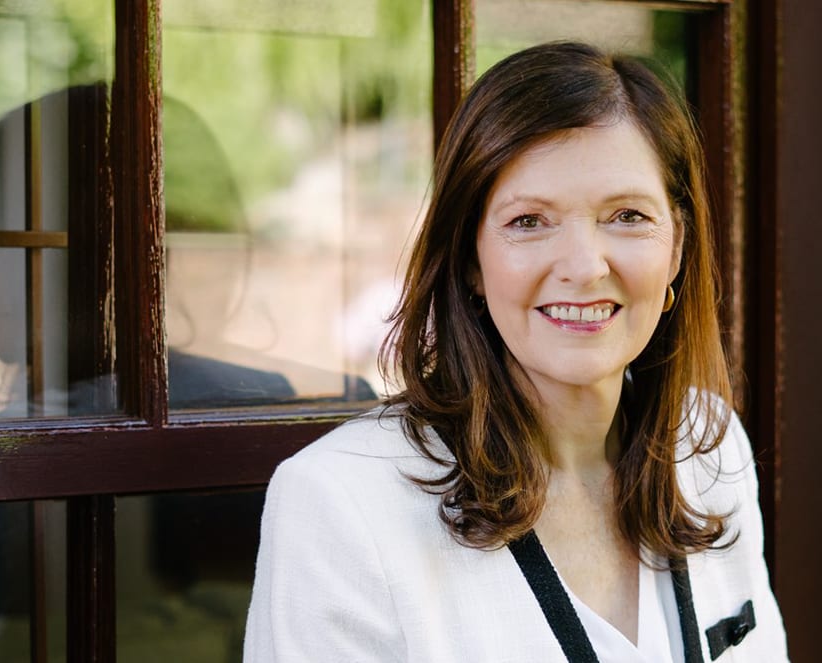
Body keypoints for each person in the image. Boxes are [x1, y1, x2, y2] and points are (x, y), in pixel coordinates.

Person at [243, 41, 788, 662]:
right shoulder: (342, 502)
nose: (584, 267)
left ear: (678, 248)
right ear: (472, 259)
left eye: (628, 215)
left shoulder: (708, 442)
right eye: (529, 221)